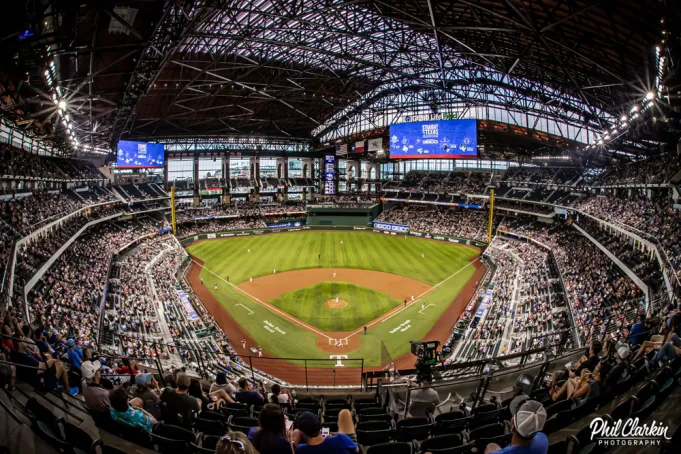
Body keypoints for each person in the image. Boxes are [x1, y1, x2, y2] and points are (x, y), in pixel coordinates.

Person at [292, 411, 358, 454]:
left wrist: (292, 442)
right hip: (342, 442)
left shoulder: (301, 450)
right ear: (319, 427)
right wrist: (332, 437)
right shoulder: (341, 439)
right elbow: (357, 450)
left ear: (302, 433)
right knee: (344, 413)